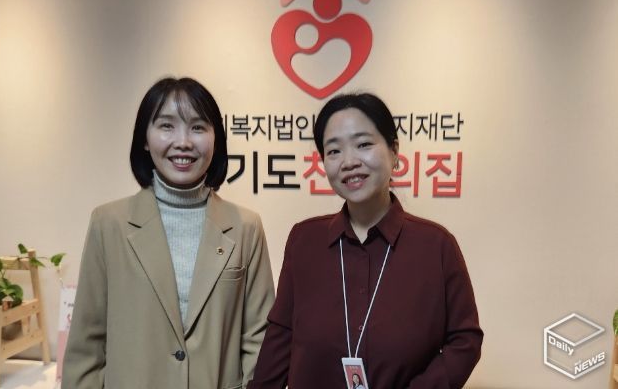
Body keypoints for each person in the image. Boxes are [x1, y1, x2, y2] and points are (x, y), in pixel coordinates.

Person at [248, 93, 483, 388]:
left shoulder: (436, 246)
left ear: (394, 151)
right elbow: (281, 335)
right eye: (334, 151)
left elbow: (465, 340)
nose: (349, 162)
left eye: (363, 144)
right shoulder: (304, 240)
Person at [63, 77, 275, 389]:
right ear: (145, 139)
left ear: (216, 139)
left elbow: (259, 339)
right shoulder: (108, 223)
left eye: (198, 127)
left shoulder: (246, 227)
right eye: (167, 126)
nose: (183, 142)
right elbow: (87, 344)